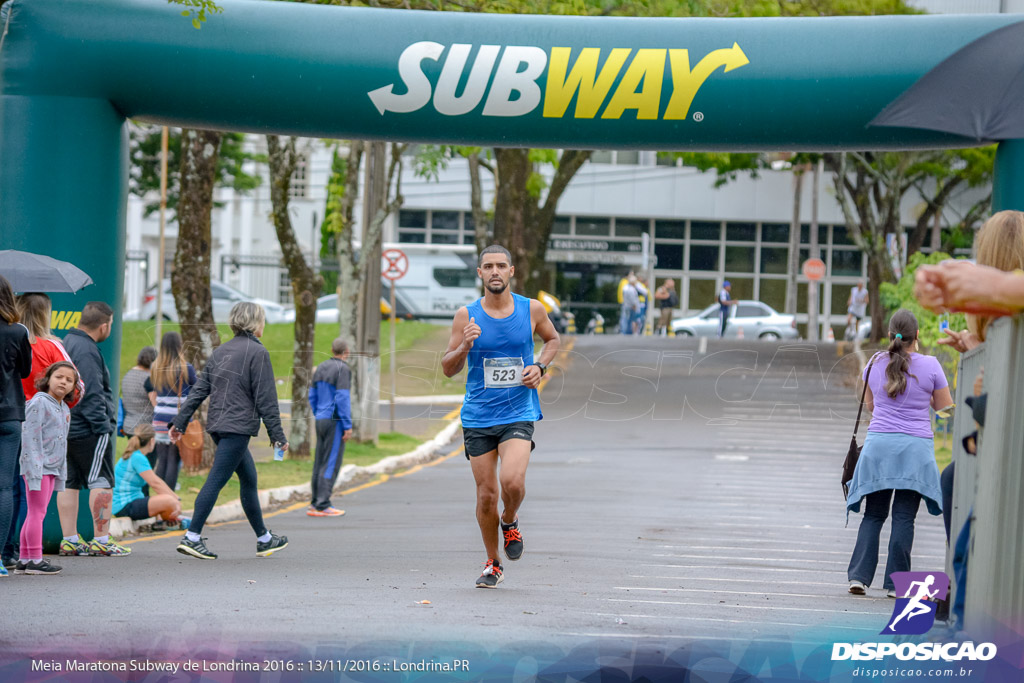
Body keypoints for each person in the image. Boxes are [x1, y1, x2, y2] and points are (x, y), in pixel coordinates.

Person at [441, 245, 560, 588]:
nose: (495, 271)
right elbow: (448, 368)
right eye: (488, 266)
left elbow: (552, 340)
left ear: (511, 271)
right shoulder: (466, 316)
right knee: (486, 495)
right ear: (479, 273)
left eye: (501, 266)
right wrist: (464, 345)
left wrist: (539, 365)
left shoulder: (531, 309)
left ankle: (510, 519)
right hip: (478, 416)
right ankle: (493, 563)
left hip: (518, 410)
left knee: (512, 482)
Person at [170, 302, 289, 560]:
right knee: (217, 480)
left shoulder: (220, 352)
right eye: (263, 320)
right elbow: (266, 398)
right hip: (237, 428)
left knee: (248, 479)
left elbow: (199, 391)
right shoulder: (258, 353)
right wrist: (278, 435)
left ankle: (264, 538)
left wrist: (179, 422)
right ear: (256, 323)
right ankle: (192, 537)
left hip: (218, 426)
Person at [845, 309, 951, 597]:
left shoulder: (875, 363)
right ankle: (895, 585)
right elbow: (944, 410)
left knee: (874, 515)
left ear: (890, 335)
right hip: (915, 452)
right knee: (904, 518)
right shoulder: (931, 365)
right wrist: (924, 397)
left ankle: (858, 578)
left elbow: (871, 407)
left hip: (879, 449)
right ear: (917, 336)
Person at [6, 292, 82, 570]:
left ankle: (9, 551)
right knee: (34, 504)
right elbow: (78, 387)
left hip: (11, 417)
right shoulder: (52, 347)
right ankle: (31, 555)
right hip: (40, 434)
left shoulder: (10, 339)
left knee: (11, 489)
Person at [59, 301, 130, 557]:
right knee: (101, 480)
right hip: (89, 427)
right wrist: (104, 426)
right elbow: (92, 394)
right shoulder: (88, 350)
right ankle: (101, 539)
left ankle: (70, 539)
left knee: (70, 482)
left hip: (66, 426)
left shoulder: (66, 342)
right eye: (110, 324)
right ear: (103, 326)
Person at [17, 361, 78, 575]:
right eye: (59, 377)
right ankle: (35, 559)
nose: (63, 381)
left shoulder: (63, 408)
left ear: (74, 387)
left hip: (52, 467)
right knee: (37, 512)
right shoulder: (39, 403)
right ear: (48, 379)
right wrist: (35, 466)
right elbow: (30, 436)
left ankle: (25, 558)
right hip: (38, 467)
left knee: (36, 512)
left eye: (69, 380)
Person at [0, 275, 33, 578]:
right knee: (5, 486)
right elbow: (25, 370)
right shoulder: (18, 331)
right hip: (10, 415)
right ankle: (1, 555)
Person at [146, 332, 197, 492]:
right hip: (177, 419)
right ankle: (170, 498)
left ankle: (162, 496)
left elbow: (149, 387)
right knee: (173, 460)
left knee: (162, 460)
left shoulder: (155, 367)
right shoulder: (185, 368)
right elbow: (198, 390)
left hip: (159, 419)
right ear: (179, 345)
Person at [307, 337, 352, 517]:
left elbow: (312, 394)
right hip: (335, 421)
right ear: (346, 352)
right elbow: (342, 398)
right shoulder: (343, 369)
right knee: (331, 462)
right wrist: (347, 425)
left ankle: (314, 502)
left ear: (333, 350)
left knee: (319, 461)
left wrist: (318, 412)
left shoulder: (321, 367)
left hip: (321, 419)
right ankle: (323, 504)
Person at [113, 424, 186, 529]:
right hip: (125, 506)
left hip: (128, 504)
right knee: (169, 501)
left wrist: (176, 499)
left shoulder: (136, 455)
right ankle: (169, 523)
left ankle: (166, 523)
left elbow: (158, 482)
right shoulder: (138, 458)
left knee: (170, 501)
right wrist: (175, 501)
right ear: (152, 441)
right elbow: (155, 484)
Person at [120, 346, 156, 441]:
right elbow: (155, 403)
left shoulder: (127, 375)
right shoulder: (149, 379)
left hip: (129, 425)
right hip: (145, 428)